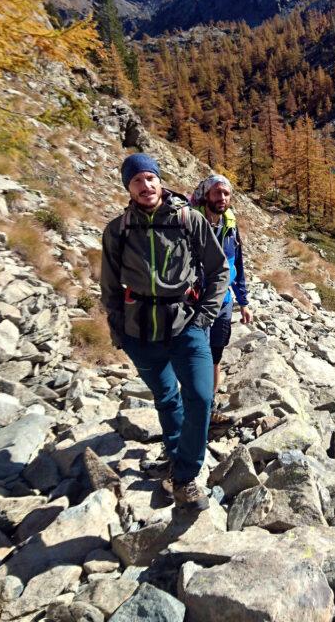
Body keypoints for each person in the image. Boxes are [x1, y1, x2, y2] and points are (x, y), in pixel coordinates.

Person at [101, 153, 229, 510]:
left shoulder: (189, 219)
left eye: (150, 178)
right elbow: (109, 286)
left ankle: (186, 475)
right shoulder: (118, 229)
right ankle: (176, 461)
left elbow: (219, 270)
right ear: (128, 187)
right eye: (137, 181)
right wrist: (118, 331)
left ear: (160, 180)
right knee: (165, 397)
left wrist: (206, 314)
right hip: (139, 328)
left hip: (186, 323)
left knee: (201, 397)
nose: (146, 186)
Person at [189, 174, 253, 425]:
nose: (222, 198)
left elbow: (237, 264)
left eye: (226, 194)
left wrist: (244, 302)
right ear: (206, 194)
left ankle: (210, 402)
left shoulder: (230, 224)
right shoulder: (190, 222)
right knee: (198, 354)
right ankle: (197, 405)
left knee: (215, 353)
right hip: (197, 302)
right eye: (217, 192)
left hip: (224, 301)